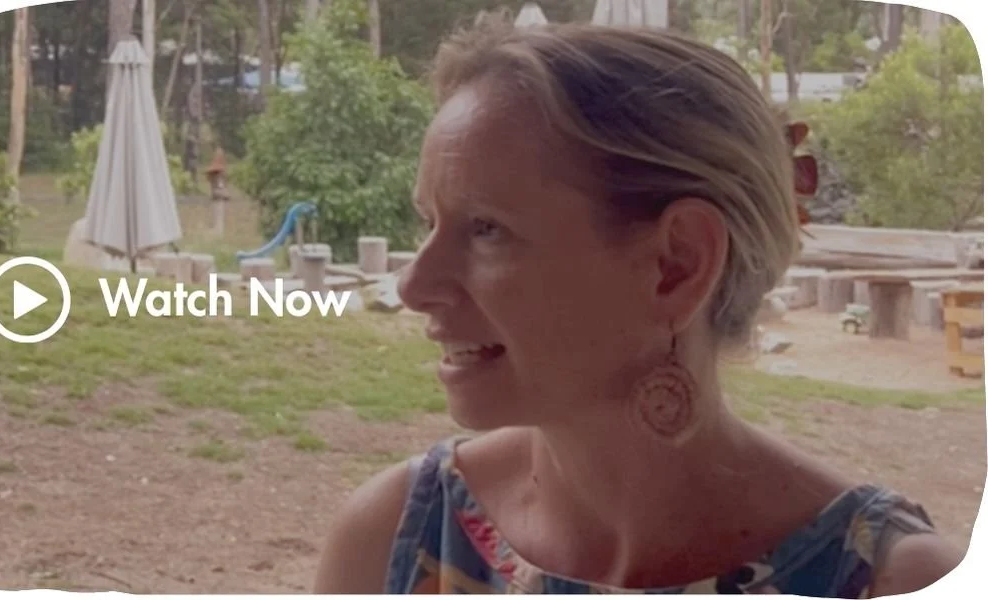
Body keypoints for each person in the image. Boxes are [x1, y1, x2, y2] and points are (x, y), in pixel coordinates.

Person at [313, 14, 964, 596]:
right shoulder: (391, 540)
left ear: (676, 266)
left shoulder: (892, 580)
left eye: (486, 229)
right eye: (429, 222)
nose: (413, 286)